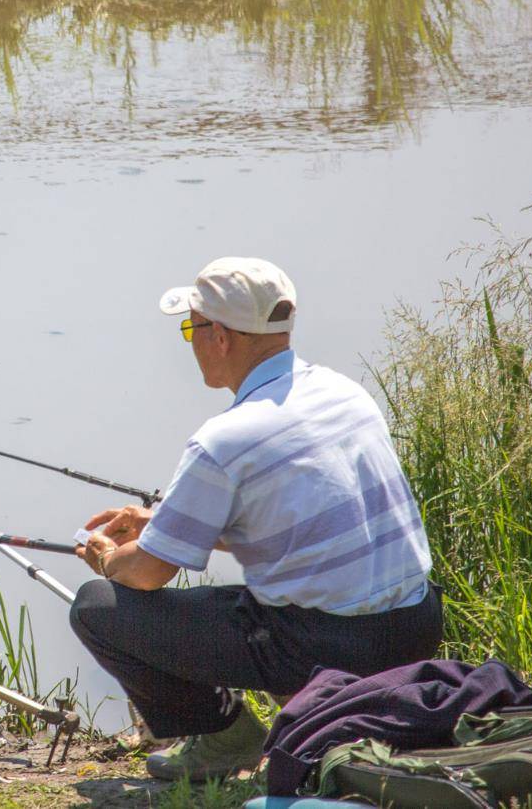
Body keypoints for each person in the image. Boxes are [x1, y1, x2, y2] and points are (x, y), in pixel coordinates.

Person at [71, 257, 442, 782]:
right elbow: (298, 523)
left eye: (190, 328)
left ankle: (226, 737)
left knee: (97, 608)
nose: (190, 341)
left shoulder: (223, 440)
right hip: (414, 626)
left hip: (329, 644)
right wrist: (162, 521)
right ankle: (321, 713)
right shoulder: (344, 394)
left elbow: (145, 574)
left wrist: (107, 558)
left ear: (219, 337)